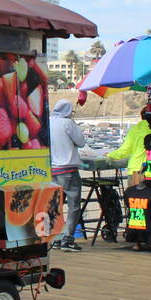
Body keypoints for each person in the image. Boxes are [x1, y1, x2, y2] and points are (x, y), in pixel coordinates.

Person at [48, 99, 86, 252]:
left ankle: (55, 237)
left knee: (55, 204)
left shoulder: (49, 122)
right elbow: (81, 142)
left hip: (52, 170)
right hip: (68, 170)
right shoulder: (68, 124)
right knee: (73, 205)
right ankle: (68, 239)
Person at [110, 108, 151, 185]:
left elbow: (124, 151)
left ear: (141, 116)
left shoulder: (135, 129)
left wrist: (110, 155)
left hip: (136, 169)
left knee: (134, 195)